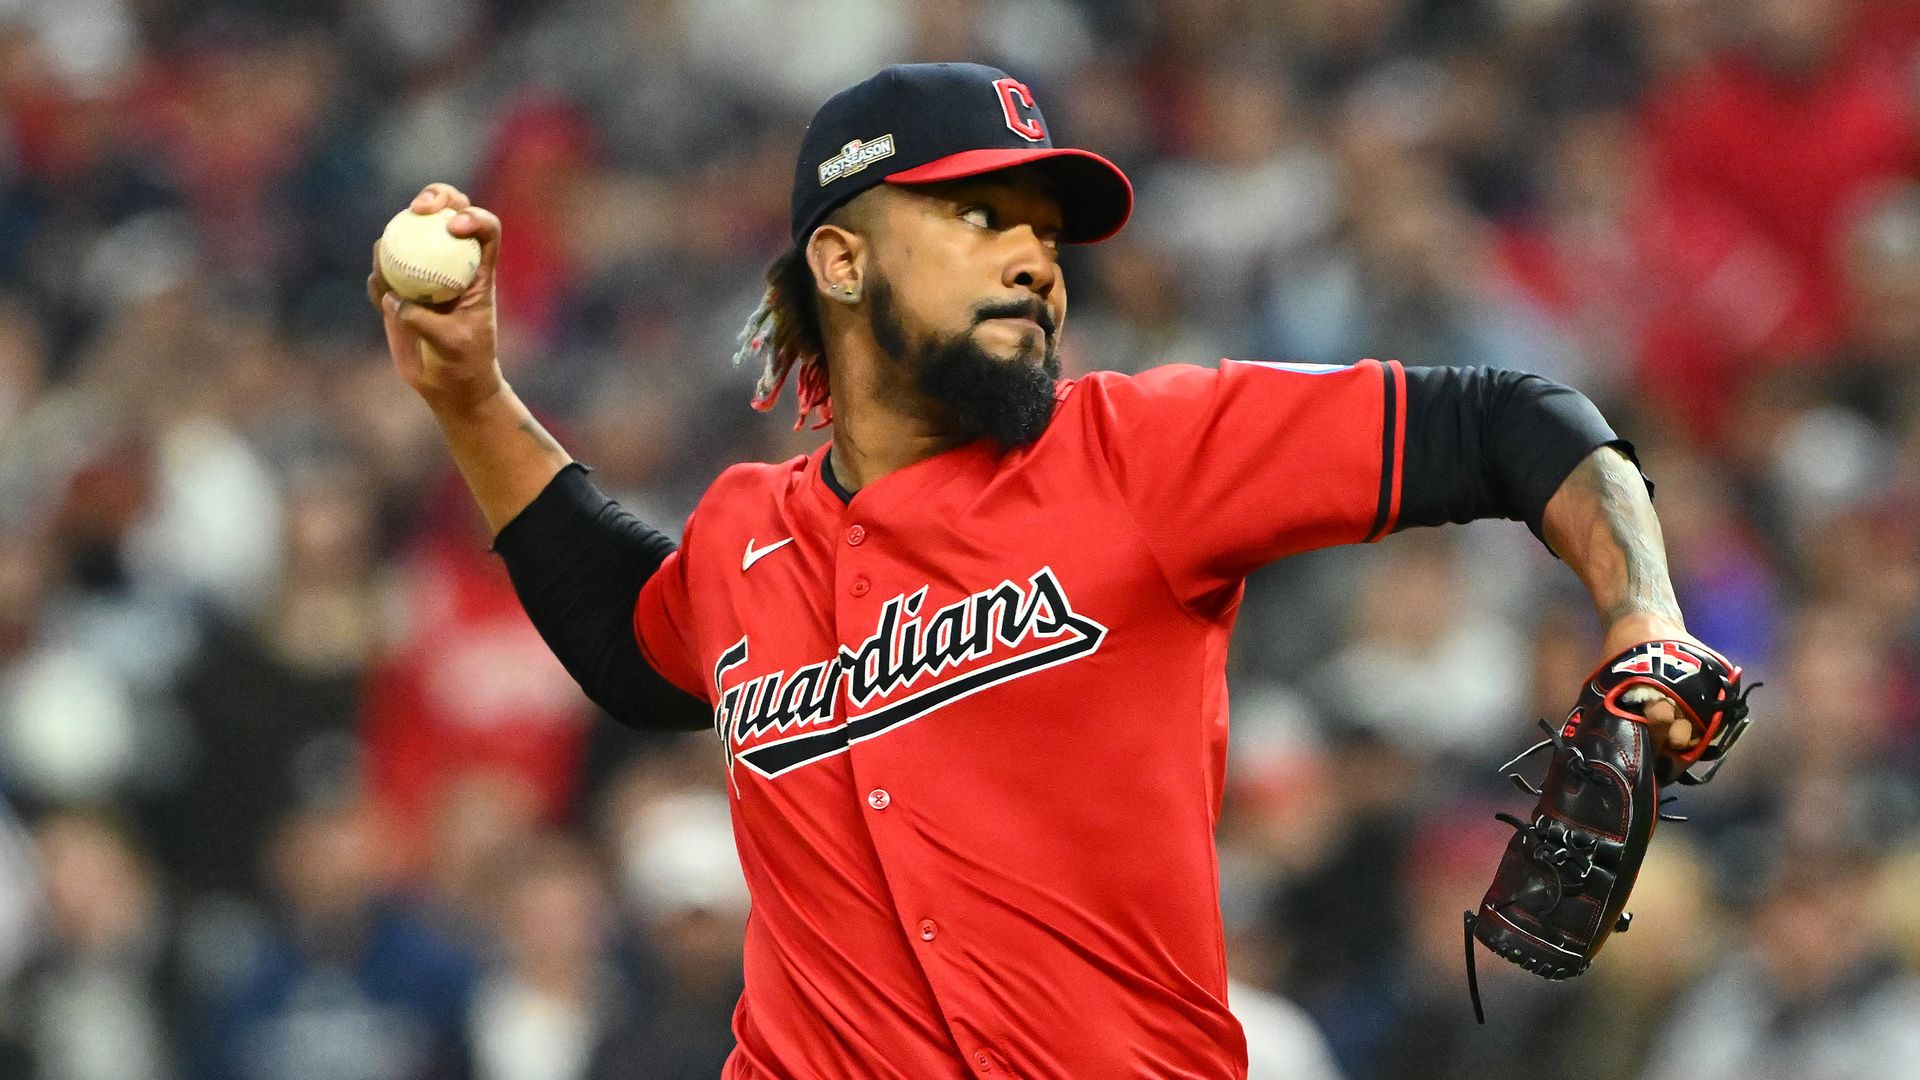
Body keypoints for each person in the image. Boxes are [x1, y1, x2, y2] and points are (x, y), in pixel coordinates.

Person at [369, 61, 1723, 1080]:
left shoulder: (1141, 454)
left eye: (1043, 227)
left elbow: (1503, 421)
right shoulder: (743, 534)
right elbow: (636, 647)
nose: (1033, 257)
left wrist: (1641, 607)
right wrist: (475, 401)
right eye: (975, 215)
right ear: (839, 258)